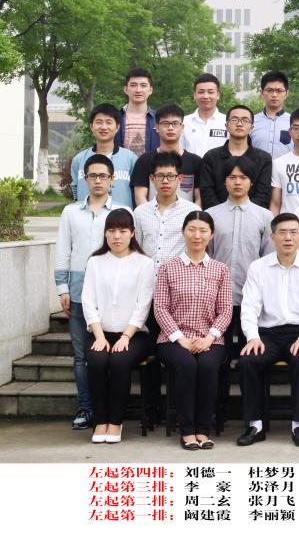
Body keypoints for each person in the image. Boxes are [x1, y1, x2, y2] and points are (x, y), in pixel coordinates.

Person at [236, 213, 299, 448]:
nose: (288, 238)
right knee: (248, 361)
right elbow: (249, 307)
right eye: (282, 233)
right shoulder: (258, 267)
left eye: (293, 232)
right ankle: (255, 425)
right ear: (272, 236)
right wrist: (252, 337)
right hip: (268, 334)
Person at [55, 154, 130, 431]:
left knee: (108, 355)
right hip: (77, 292)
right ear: (84, 179)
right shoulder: (70, 212)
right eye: (93, 176)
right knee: (81, 356)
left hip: (112, 296)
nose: (98, 180)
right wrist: (62, 287)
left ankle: (110, 410)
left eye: (103, 176)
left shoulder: (122, 211)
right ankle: (86, 408)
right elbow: (63, 249)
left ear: (112, 179)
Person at [154, 211, 232, 450]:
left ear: (211, 235)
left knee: (207, 366)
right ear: (183, 232)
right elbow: (160, 307)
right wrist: (181, 339)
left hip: (211, 339)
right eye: (192, 229)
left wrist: (209, 338)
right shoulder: (168, 268)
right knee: (187, 365)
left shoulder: (220, 269)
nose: (197, 235)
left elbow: (225, 310)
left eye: (203, 230)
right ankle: (187, 430)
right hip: (172, 339)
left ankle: (203, 430)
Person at [81, 209, 155, 443]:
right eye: (111, 231)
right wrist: (99, 336)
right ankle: (100, 420)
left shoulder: (145, 263)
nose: (117, 236)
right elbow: (88, 301)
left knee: (120, 361)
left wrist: (125, 336)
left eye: (123, 231)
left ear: (132, 233)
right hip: (100, 333)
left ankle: (115, 421)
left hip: (134, 335)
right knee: (97, 360)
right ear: (105, 234)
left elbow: (143, 305)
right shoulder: (95, 262)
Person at [206, 156, 274, 358]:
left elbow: (268, 257)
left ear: (251, 181)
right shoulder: (211, 215)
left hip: (251, 294)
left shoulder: (264, 216)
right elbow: (207, 255)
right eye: (232, 177)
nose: (237, 182)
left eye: (243, 177)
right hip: (217, 295)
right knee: (219, 353)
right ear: (224, 181)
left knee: (250, 353)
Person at [133, 152, 201, 270]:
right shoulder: (140, 212)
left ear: (180, 178)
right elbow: (136, 249)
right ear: (152, 179)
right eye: (160, 176)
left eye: (170, 176)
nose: (165, 181)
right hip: (147, 277)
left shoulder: (192, 211)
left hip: (179, 277)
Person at [199, 104, 273, 209]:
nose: (239, 124)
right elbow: (207, 193)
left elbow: (263, 195)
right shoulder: (211, 157)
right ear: (226, 125)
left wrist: (246, 213)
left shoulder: (264, 159)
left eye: (245, 120)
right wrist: (222, 213)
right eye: (234, 120)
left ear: (251, 127)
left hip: (253, 216)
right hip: (216, 216)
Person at [130, 104, 203, 207]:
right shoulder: (145, 160)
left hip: (188, 216)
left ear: (182, 127)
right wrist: (150, 215)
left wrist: (192, 216)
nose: (170, 128)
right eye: (165, 123)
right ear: (156, 127)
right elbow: (140, 196)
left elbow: (199, 198)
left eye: (175, 123)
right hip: (153, 215)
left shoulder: (196, 161)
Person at [69, 103, 138, 208]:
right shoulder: (79, 160)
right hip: (87, 216)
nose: (104, 127)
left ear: (117, 127)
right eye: (99, 122)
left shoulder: (131, 159)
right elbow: (75, 189)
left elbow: (137, 192)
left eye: (109, 122)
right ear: (91, 127)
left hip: (121, 217)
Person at [181, 73, 228, 157]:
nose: (206, 96)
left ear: (218, 95)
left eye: (210, 92)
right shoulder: (183, 122)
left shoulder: (228, 122)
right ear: (194, 95)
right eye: (201, 92)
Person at [115, 67, 158, 155]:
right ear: (126, 89)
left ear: (150, 90)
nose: (138, 90)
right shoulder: (115, 118)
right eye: (133, 85)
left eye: (143, 85)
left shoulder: (159, 119)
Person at [250, 71, 293, 158]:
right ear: (262, 93)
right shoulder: (251, 121)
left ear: (286, 93)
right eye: (270, 90)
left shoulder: (294, 122)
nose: (274, 95)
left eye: (279, 91)